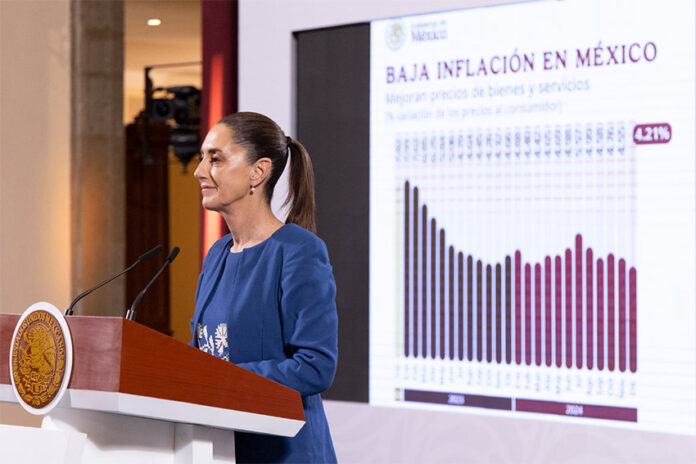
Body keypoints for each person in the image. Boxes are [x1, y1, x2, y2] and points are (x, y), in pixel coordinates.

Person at [189, 112, 338, 463]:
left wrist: (222, 379)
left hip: (284, 453)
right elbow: (201, 354)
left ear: (259, 171)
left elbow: (316, 366)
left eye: (216, 158)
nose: (199, 171)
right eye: (201, 158)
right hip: (220, 449)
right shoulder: (217, 255)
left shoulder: (299, 251)